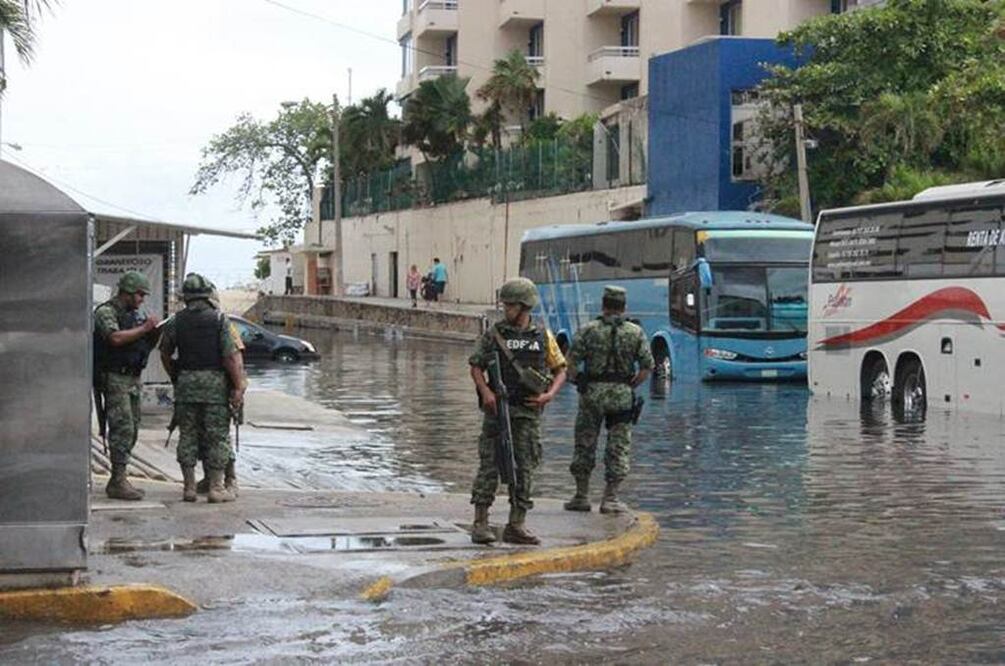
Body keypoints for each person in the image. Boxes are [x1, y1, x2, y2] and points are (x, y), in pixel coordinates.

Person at [469, 278, 566, 545]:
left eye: (510, 306)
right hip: (498, 411)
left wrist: (549, 394)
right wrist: (486, 392)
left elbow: (561, 370)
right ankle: (480, 522)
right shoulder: (494, 334)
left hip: (527, 414)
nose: (505, 310)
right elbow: (476, 365)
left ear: (524, 306)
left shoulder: (543, 337)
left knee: (525, 469)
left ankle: (517, 524)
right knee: (489, 466)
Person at [564, 286, 653, 514]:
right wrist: (631, 384)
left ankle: (581, 495)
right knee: (618, 446)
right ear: (623, 307)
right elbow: (647, 367)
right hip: (622, 396)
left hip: (592, 394)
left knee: (585, 443)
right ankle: (610, 498)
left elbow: (570, 364)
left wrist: (579, 381)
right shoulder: (635, 332)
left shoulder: (588, 330)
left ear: (603, 305)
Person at [159, 273, 247, 503]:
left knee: (187, 435)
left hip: (186, 385)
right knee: (217, 437)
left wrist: (177, 376)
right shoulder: (219, 321)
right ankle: (217, 488)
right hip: (214, 387)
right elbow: (230, 357)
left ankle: (188, 487)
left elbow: (165, 353)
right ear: (209, 296)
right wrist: (238, 386)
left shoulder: (175, 321)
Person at [93, 271, 160, 500]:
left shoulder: (133, 315)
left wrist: (152, 333)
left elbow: (138, 344)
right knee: (122, 429)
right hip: (114, 378)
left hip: (131, 379)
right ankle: (117, 480)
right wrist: (143, 329)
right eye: (140, 294)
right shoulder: (106, 312)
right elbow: (115, 338)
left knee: (132, 428)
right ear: (128, 292)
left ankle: (119, 478)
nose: (142, 299)